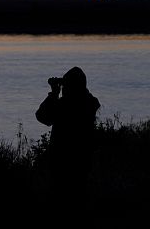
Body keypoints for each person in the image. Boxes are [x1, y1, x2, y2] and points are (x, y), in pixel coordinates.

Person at [35, 66, 101, 214]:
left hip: (62, 162)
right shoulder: (89, 102)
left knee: (61, 203)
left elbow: (43, 116)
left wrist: (53, 94)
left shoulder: (66, 106)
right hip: (82, 161)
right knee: (79, 200)